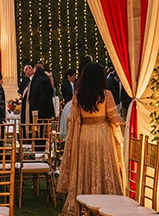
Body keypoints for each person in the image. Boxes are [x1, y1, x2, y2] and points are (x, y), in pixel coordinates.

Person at [57, 63, 125, 216]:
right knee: (103, 166)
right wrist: (121, 129)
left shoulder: (78, 94)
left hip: (85, 135)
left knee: (85, 167)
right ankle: (106, 203)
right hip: (102, 135)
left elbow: (74, 119)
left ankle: (83, 203)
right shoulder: (106, 94)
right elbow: (113, 119)